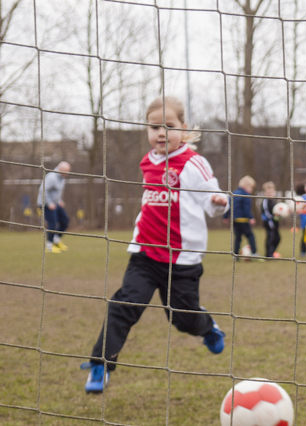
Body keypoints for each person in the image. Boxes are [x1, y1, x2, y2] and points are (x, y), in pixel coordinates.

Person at [81, 96, 228, 393]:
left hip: (182, 261)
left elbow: (213, 199)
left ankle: (207, 327)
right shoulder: (148, 161)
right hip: (145, 256)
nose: (160, 132)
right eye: (153, 126)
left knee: (182, 320)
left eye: (168, 126)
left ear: (183, 129)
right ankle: (100, 365)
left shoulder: (194, 163)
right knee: (124, 305)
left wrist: (218, 202)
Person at [37, 161, 71, 253]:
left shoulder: (62, 178)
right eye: (67, 171)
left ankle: (56, 240)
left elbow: (57, 191)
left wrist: (59, 201)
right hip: (45, 204)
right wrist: (49, 203)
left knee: (65, 221)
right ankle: (49, 246)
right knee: (53, 224)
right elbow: (43, 190)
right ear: (61, 169)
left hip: (55, 203)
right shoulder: (52, 177)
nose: (68, 173)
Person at [225, 176, 258, 258]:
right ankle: (254, 253)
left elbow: (228, 206)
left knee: (238, 238)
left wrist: (225, 216)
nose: (251, 190)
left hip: (234, 219)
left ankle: (235, 255)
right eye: (251, 188)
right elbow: (246, 209)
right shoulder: (246, 195)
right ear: (246, 186)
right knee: (250, 235)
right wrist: (250, 217)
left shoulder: (233, 193)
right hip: (243, 219)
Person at [261, 181, 282, 258]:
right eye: (268, 193)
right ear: (265, 193)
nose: (270, 194)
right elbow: (266, 213)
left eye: (271, 192)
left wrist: (279, 216)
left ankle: (272, 252)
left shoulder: (273, 201)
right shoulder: (265, 202)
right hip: (268, 223)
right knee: (270, 238)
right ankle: (268, 254)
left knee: (278, 238)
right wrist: (274, 217)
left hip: (274, 223)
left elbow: (275, 212)